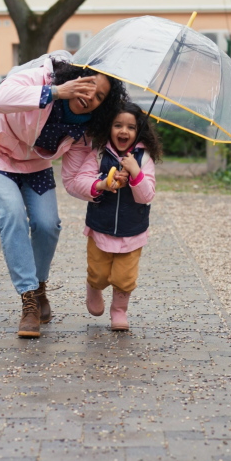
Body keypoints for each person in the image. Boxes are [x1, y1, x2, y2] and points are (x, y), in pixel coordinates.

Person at [0, 57, 126, 338]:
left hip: (33, 163)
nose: (90, 97)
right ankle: (29, 301)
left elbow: (75, 178)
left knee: (48, 224)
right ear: (76, 77)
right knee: (12, 213)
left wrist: (99, 186)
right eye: (88, 86)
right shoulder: (42, 78)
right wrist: (56, 92)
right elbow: (2, 98)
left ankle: (40, 287)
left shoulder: (85, 132)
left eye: (99, 96)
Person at [63, 101, 162, 332]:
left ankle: (119, 311)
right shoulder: (98, 154)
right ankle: (93, 286)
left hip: (132, 229)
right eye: (118, 125)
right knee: (98, 273)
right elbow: (79, 182)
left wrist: (135, 172)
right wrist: (103, 184)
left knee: (124, 277)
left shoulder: (144, 159)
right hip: (101, 226)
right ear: (109, 127)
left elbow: (147, 195)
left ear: (139, 131)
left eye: (130, 127)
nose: (124, 131)